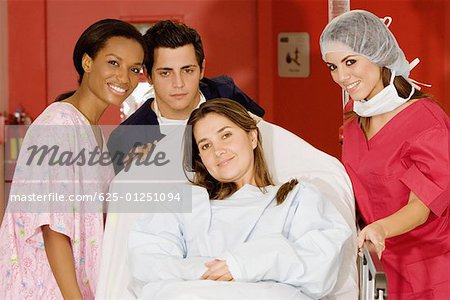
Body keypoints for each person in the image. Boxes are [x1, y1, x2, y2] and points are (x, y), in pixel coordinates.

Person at [127, 99, 351, 300]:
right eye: (205, 145)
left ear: (252, 136)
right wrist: (213, 271)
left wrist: (241, 265)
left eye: (225, 135)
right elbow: (149, 264)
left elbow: (320, 266)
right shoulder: (182, 203)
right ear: (201, 159)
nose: (218, 151)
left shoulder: (297, 198)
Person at [0, 19, 145, 299]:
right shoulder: (59, 126)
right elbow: (53, 227)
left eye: (134, 69)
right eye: (113, 63)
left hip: (76, 283)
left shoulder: (91, 130)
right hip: (43, 286)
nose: (124, 78)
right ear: (87, 63)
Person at [320, 10, 450, 299]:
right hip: (377, 265)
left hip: (430, 271)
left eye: (350, 62)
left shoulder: (427, 121)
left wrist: (380, 228)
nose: (342, 77)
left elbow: (422, 206)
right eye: (332, 66)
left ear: (378, 54)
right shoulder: (354, 118)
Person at [107, 20, 265, 174]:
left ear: (201, 69)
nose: (178, 83)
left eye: (187, 70)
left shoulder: (227, 94)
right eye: (165, 73)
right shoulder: (126, 138)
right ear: (148, 76)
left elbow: (266, 147)